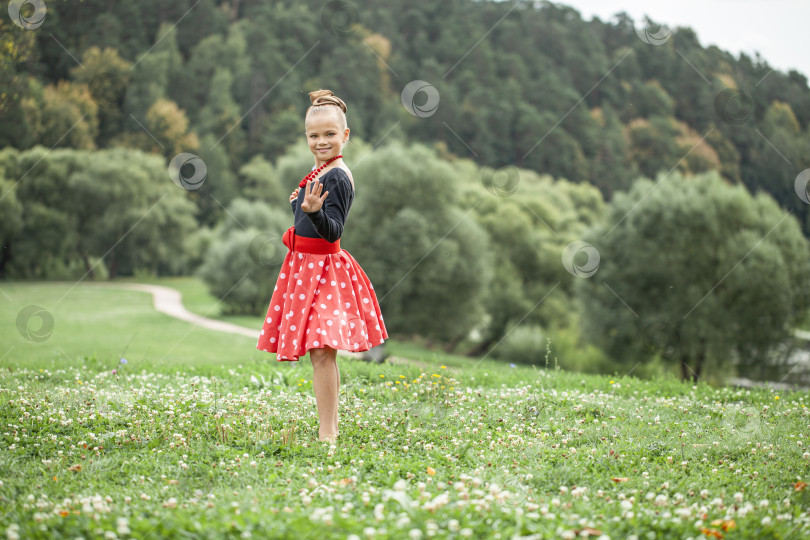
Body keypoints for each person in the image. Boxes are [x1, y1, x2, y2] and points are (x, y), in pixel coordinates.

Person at [256, 89, 388, 442]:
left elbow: (332, 231)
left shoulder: (338, 177)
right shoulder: (321, 170)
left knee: (321, 349)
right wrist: (301, 207)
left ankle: (328, 431)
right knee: (319, 352)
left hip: (325, 271)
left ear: (345, 135)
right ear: (306, 138)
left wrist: (312, 212)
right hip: (303, 268)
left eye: (330, 134)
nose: (321, 141)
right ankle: (326, 427)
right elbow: (311, 219)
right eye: (314, 135)